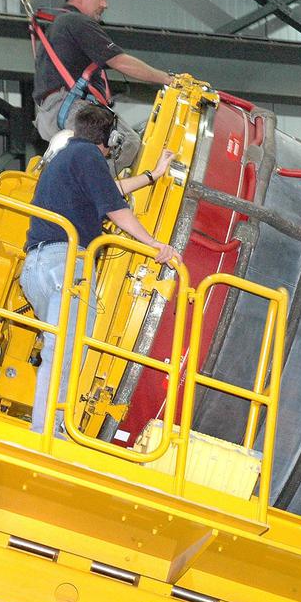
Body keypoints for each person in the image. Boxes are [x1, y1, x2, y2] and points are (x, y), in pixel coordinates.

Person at [20, 104, 180, 437]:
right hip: (66, 265)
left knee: (57, 346)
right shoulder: (90, 159)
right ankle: (49, 432)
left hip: (36, 268)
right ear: (110, 139)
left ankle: (46, 425)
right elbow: (114, 208)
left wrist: (152, 176)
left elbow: (106, 192)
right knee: (66, 349)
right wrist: (155, 246)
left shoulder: (64, 158)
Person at [33, 0, 177, 170]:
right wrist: (167, 79)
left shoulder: (60, 26)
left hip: (51, 113)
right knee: (127, 143)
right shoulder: (77, 21)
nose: (105, 4)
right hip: (71, 108)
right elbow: (120, 62)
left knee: (94, 155)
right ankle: (95, 193)